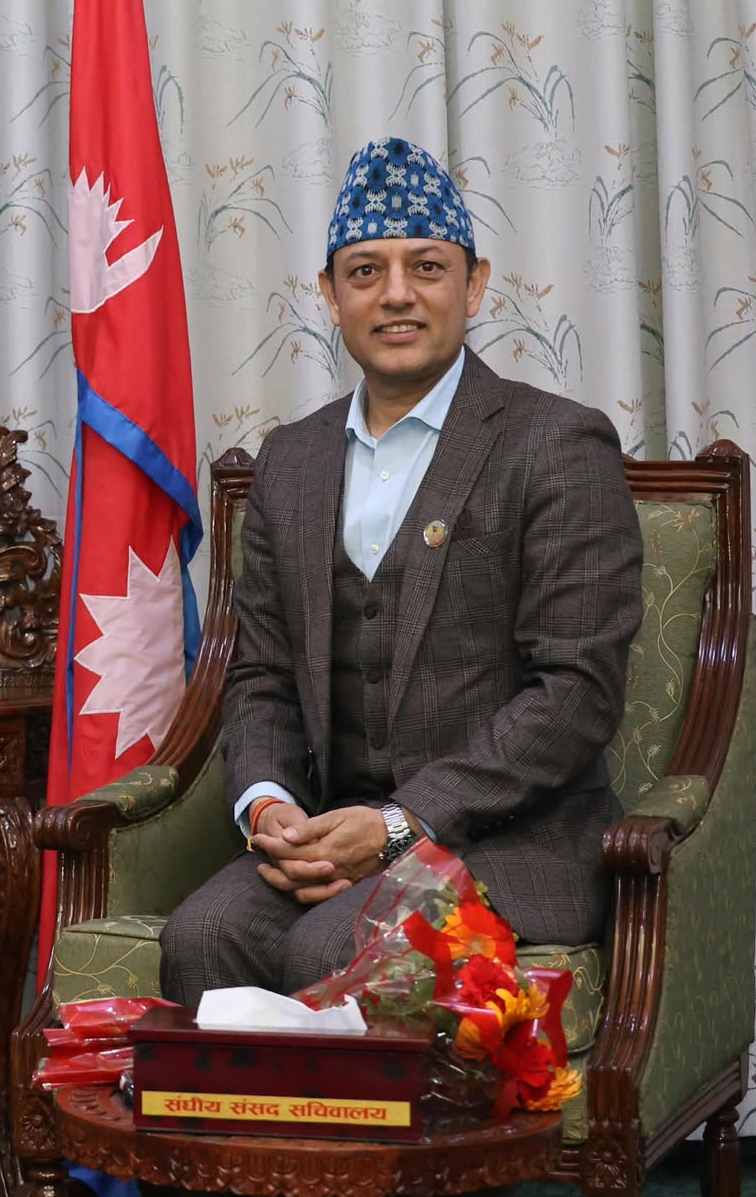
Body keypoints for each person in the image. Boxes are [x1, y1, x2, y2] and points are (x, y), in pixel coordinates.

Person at [159, 138, 644, 1007]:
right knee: (202, 936)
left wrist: (398, 824)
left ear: (475, 284)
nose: (395, 293)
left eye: (426, 266)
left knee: (333, 947)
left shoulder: (557, 445)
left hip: (512, 841)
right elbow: (261, 674)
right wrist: (268, 807)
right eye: (365, 271)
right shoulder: (290, 461)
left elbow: (576, 693)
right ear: (329, 294)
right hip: (331, 834)